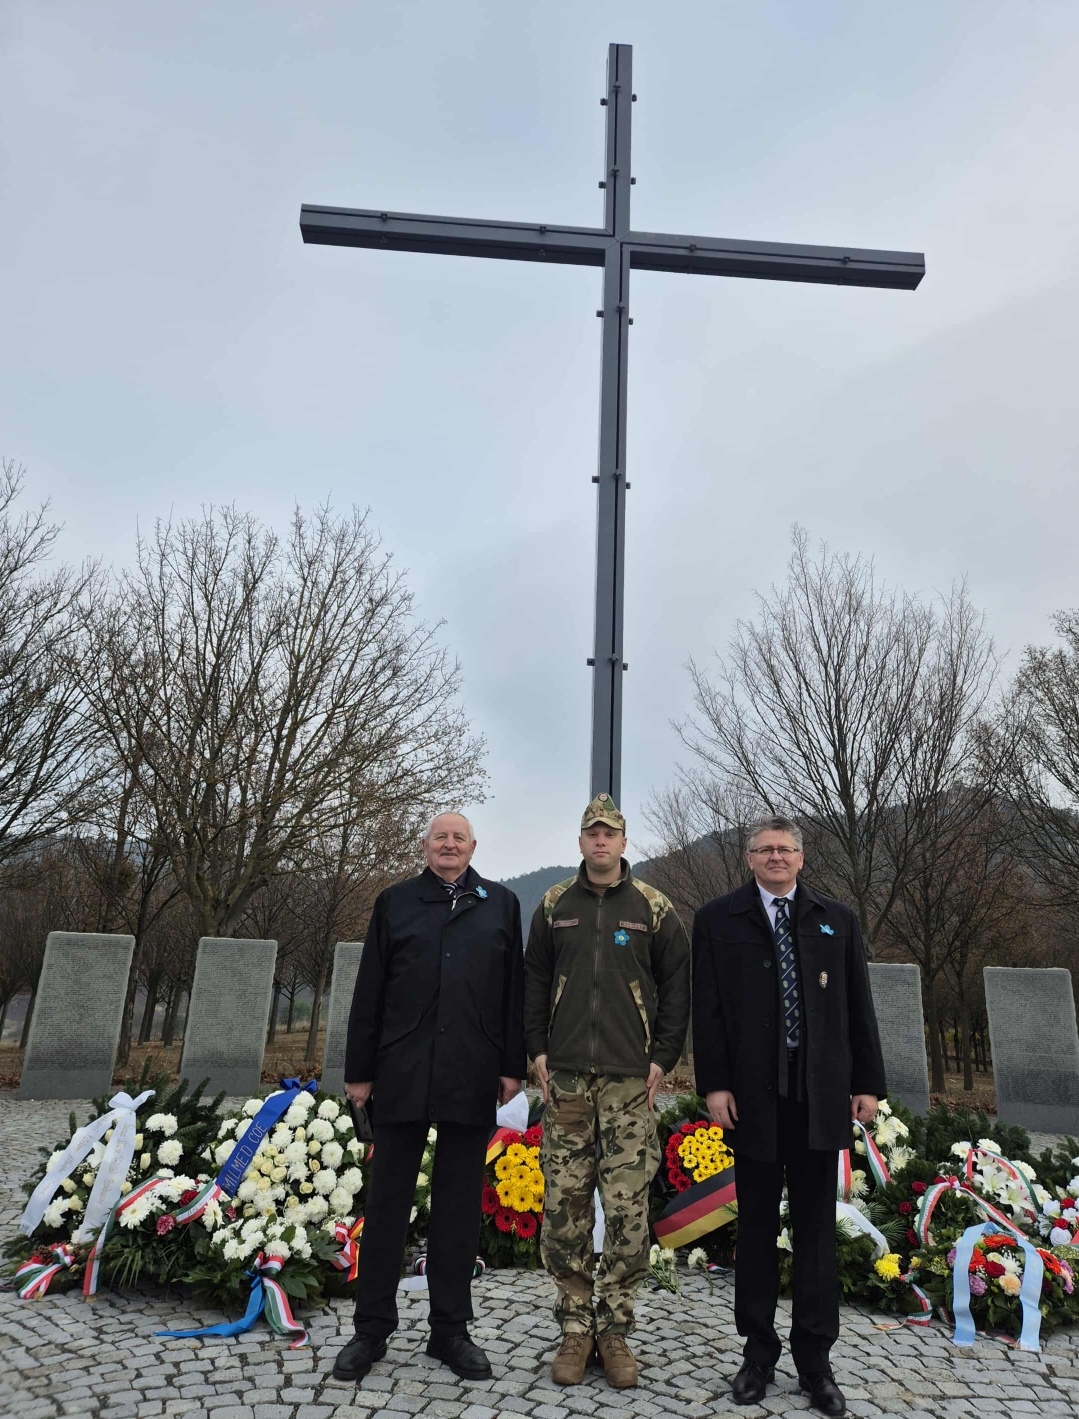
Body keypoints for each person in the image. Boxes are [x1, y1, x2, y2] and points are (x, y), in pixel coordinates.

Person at [692, 816, 886, 1417]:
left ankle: (815, 1361)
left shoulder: (837, 919)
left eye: (786, 849)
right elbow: (709, 1011)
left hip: (819, 1095)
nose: (776, 857)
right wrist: (715, 1085)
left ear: (802, 859)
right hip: (752, 1097)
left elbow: (859, 1006)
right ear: (748, 859)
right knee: (754, 1228)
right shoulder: (718, 920)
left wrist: (868, 1085)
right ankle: (757, 1352)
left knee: (815, 1232)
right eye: (765, 849)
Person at [332, 811, 525, 1384]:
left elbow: (514, 991)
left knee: (459, 1206)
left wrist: (512, 1066)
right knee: (388, 1202)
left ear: (473, 847)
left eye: (458, 838)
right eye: (439, 837)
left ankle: (450, 1330)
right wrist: (359, 1072)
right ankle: (371, 1329)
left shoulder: (501, 904)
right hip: (402, 1070)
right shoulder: (395, 902)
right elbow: (370, 988)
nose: (448, 845)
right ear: (425, 845)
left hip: (472, 1072)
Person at [524, 792, 691, 1390]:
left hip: (628, 1082)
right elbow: (535, 980)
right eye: (591, 832)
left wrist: (663, 1057)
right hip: (565, 1078)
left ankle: (614, 1329)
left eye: (610, 833)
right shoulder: (553, 904)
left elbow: (678, 987)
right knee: (564, 1209)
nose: (600, 841)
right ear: (580, 841)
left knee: (626, 1211)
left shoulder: (653, 907)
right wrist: (536, 1051)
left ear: (624, 843)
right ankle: (574, 1329)